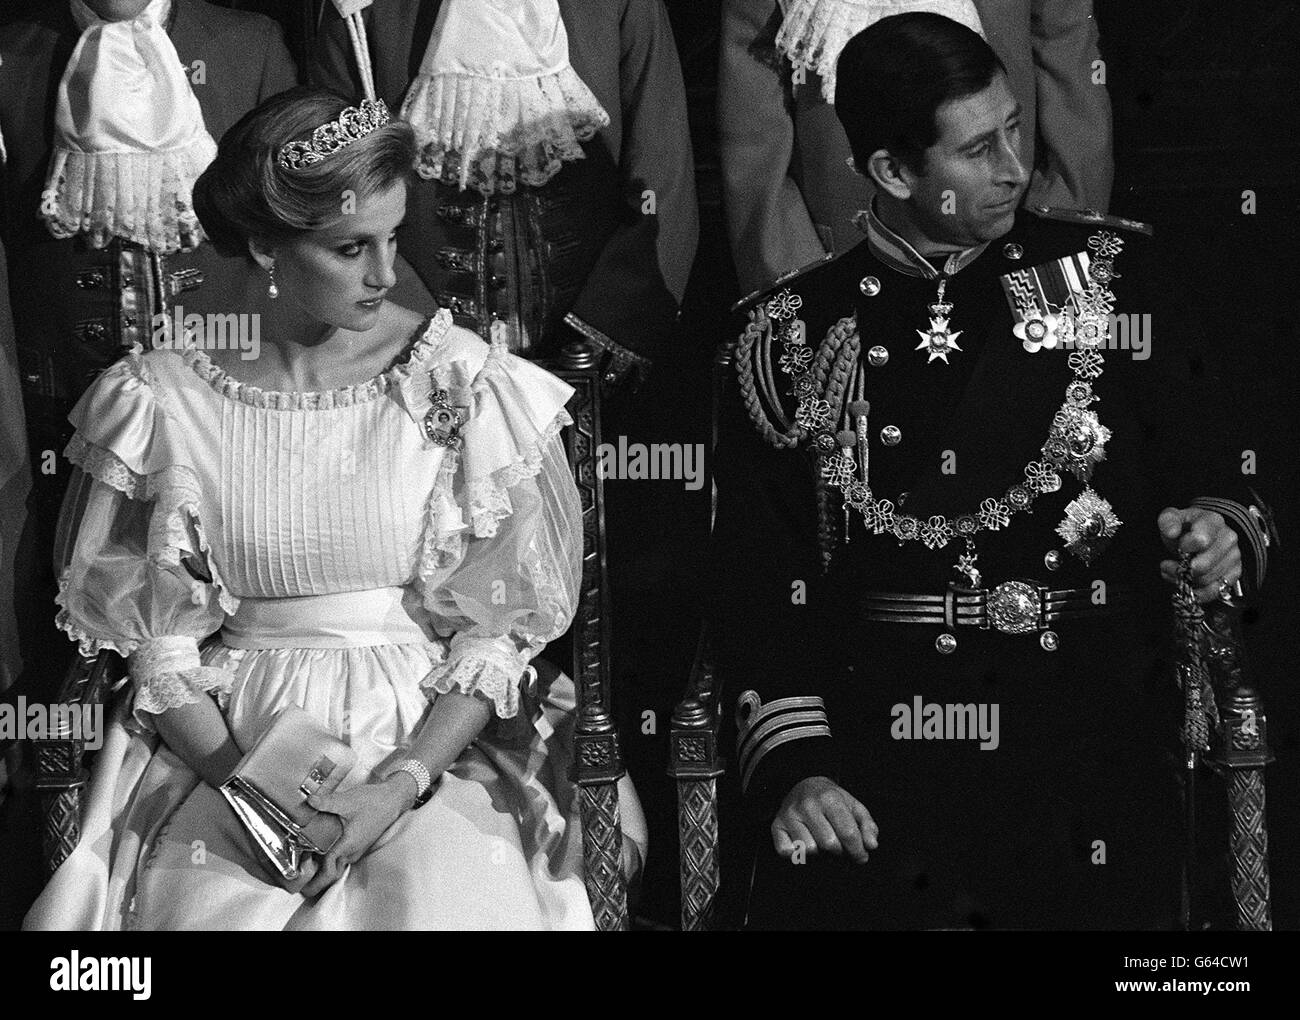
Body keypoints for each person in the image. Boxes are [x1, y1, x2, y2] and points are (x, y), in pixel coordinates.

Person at [24, 87, 642, 930]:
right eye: (351, 248)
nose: (386, 275)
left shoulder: (457, 377)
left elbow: (495, 632)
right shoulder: (160, 398)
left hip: (430, 738)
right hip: (231, 741)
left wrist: (397, 787)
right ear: (265, 245)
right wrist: (256, 793)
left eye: (392, 239)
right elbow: (159, 646)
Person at [711, 13, 1272, 929]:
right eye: (979, 149)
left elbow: (1228, 483)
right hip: (880, 746)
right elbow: (762, 589)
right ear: (894, 173)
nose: (1016, 165)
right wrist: (798, 769)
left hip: (1087, 725)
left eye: (1015, 128)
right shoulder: (789, 337)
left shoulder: (1114, 283)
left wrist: (1220, 534)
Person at [310, 0, 698, 379]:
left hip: (588, 360)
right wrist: (412, 332)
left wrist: (615, 318)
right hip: (416, 360)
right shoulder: (362, 8)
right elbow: (342, 193)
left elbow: (659, 165)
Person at [719, 0, 1115, 294]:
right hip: (834, 251)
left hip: (1016, 241)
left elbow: (1072, 74)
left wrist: (1058, 243)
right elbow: (752, 128)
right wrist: (794, 277)